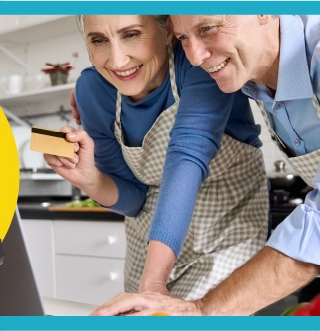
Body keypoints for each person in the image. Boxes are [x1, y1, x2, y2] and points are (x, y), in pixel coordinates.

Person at [90, 15, 320, 316]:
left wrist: (201, 309)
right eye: (183, 38)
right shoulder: (251, 70)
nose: (195, 57)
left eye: (208, 29)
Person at [43, 15, 269, 301]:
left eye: (132, 34)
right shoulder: (93, 90)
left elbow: (187, 157)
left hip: (226, 233)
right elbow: (135, 198)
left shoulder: (201, 64)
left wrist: (153, 283)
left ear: (167, 31)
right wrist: (89, 179)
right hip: (148, 242)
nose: (117, 60)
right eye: (99, 40)